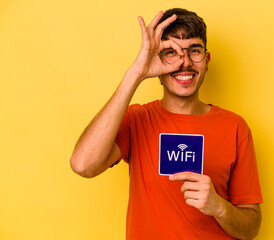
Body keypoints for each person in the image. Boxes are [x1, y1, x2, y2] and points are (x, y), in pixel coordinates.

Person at [70, 8, 263, 240]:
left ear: (207, 61)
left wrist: (218, 207)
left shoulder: (235, 127)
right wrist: (137, 73)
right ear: (156, 61)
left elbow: (251, 229)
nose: (185, 63)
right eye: (171, 52)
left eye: (194, 51)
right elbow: (83, 164)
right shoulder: (136, 120)